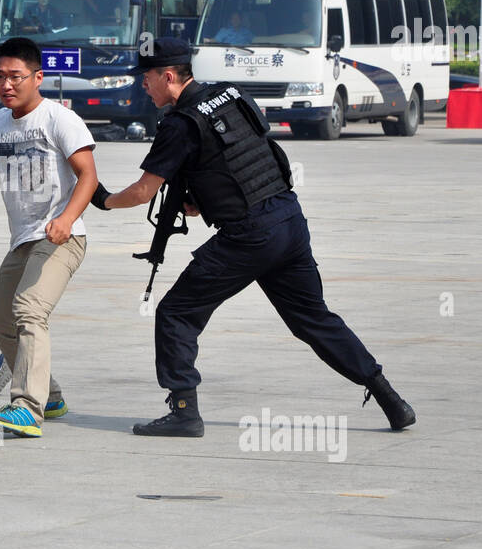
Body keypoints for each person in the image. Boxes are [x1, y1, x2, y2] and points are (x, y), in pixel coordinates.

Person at [90, 37, 416, 436]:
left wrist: (102, 199)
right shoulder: (229, 94)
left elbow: (143, 192)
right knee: (314, 320)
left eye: (148, 78)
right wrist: (202, 200)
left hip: (249, 237)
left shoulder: (180, 123)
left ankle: (184, 412)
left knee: (176, 313)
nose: (144, 85)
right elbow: (237, 161)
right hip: (288, 219)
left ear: (169, 76)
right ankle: (391, 400)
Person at [0, 36, 98, 439]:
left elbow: (88, 176)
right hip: (24, 240)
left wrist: (66, 218)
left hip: (63, 236)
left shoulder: (59, 119)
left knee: (29, 310)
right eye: (0, 76)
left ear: (37, 77)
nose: (6, 85)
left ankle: (27, 405)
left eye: (16, 77)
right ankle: (53, 395)